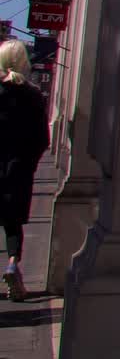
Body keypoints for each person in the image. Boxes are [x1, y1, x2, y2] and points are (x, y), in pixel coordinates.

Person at [0, 39, 50, 302]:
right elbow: (43, 139)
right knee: (13, 224)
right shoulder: (33, 96)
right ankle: (11, 264)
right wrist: (27, 163)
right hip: (18, 169)